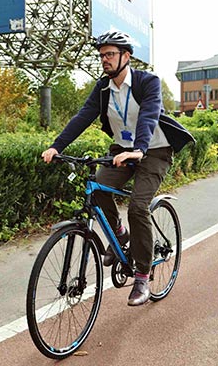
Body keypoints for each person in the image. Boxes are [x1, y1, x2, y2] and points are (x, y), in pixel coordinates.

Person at [41, 30, 193, 307]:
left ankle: (143, 277)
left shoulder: (148, 82)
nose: (104, 60)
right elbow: (82, 116)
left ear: (126, 56)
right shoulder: (102, 89)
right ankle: (121, 235)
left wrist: (140, 148)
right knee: (98, 189)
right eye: (101, 56)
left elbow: (148, 115)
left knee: (138, 206)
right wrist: (56, 146)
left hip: (154, 151)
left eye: (110, 54)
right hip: (121, 152)